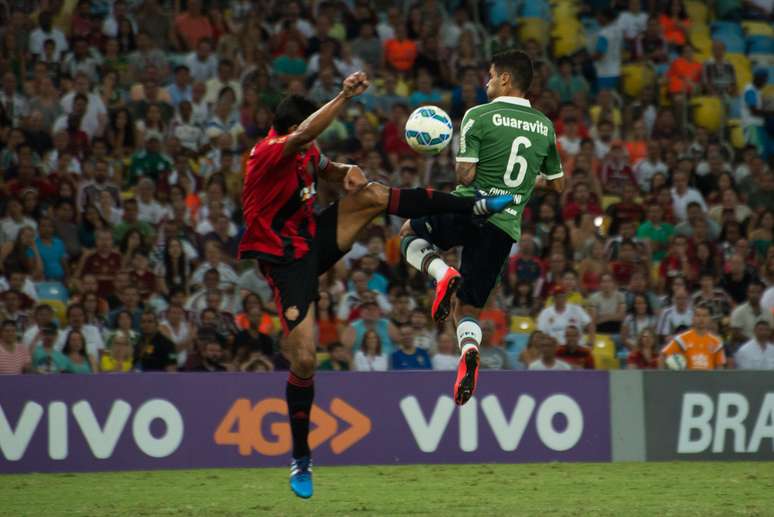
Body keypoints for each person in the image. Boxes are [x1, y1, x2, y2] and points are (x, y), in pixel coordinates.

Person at [237, 71, 515, 499]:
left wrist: (346, 171)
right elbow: (306, 134)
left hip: (313, 239)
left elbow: (327, 168)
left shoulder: (305, 151)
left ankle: (471, 205)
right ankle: (301, 458)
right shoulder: (267, 151)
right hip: (285, 264)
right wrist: (344, 95)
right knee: (306, 360)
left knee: (370, 194)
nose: (312, 142)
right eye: (306, 133)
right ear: (293, 130)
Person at [399, 50, 565, 407]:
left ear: (506, 79)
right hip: (503, 228)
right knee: (468, 308)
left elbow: (465, 176)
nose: (486, 81)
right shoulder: (545, 127)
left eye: (491, 75)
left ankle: (442, 273)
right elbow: (557, 184)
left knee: (409, 234)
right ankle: (470, 351)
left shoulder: (478, 115)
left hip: (469, 208)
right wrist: (518, 189)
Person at [660, 304, 726, 370]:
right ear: (693, 318)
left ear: (709, 319)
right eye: (698, 315)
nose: (701, 319)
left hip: (709, 379)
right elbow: (663, 355)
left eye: (704, 316)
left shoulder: (716, 342)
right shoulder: (682, 339)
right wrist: (663, 377)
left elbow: (720, 367)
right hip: (688, 379)